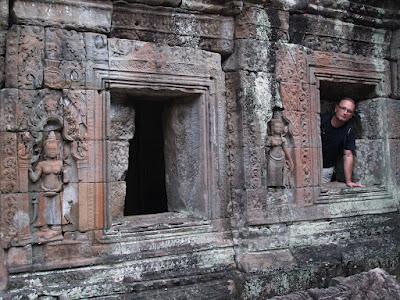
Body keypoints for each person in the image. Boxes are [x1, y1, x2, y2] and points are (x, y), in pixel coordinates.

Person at [321, 97, 364, 188]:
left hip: (326, 168)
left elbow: (348, 155)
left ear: (352, 115)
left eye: (349, 111)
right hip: (308, 163)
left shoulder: (349, 130)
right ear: (336, 108)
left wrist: (348, 181)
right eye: (343, 108)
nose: (345, 113)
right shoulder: (322, 120)